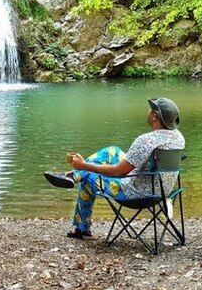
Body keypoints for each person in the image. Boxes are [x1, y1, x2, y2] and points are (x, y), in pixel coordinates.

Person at [44, 97, 185, 239]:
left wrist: (84, 165)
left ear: (154, 116)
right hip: (161, 192)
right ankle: (74, 175)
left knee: (87, 177)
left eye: (151, 109)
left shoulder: (146, 140)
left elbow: (120, 171)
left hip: (135, 194)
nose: (148, 111)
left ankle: (82, 228)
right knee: (112, 151)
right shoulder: (178, 138)